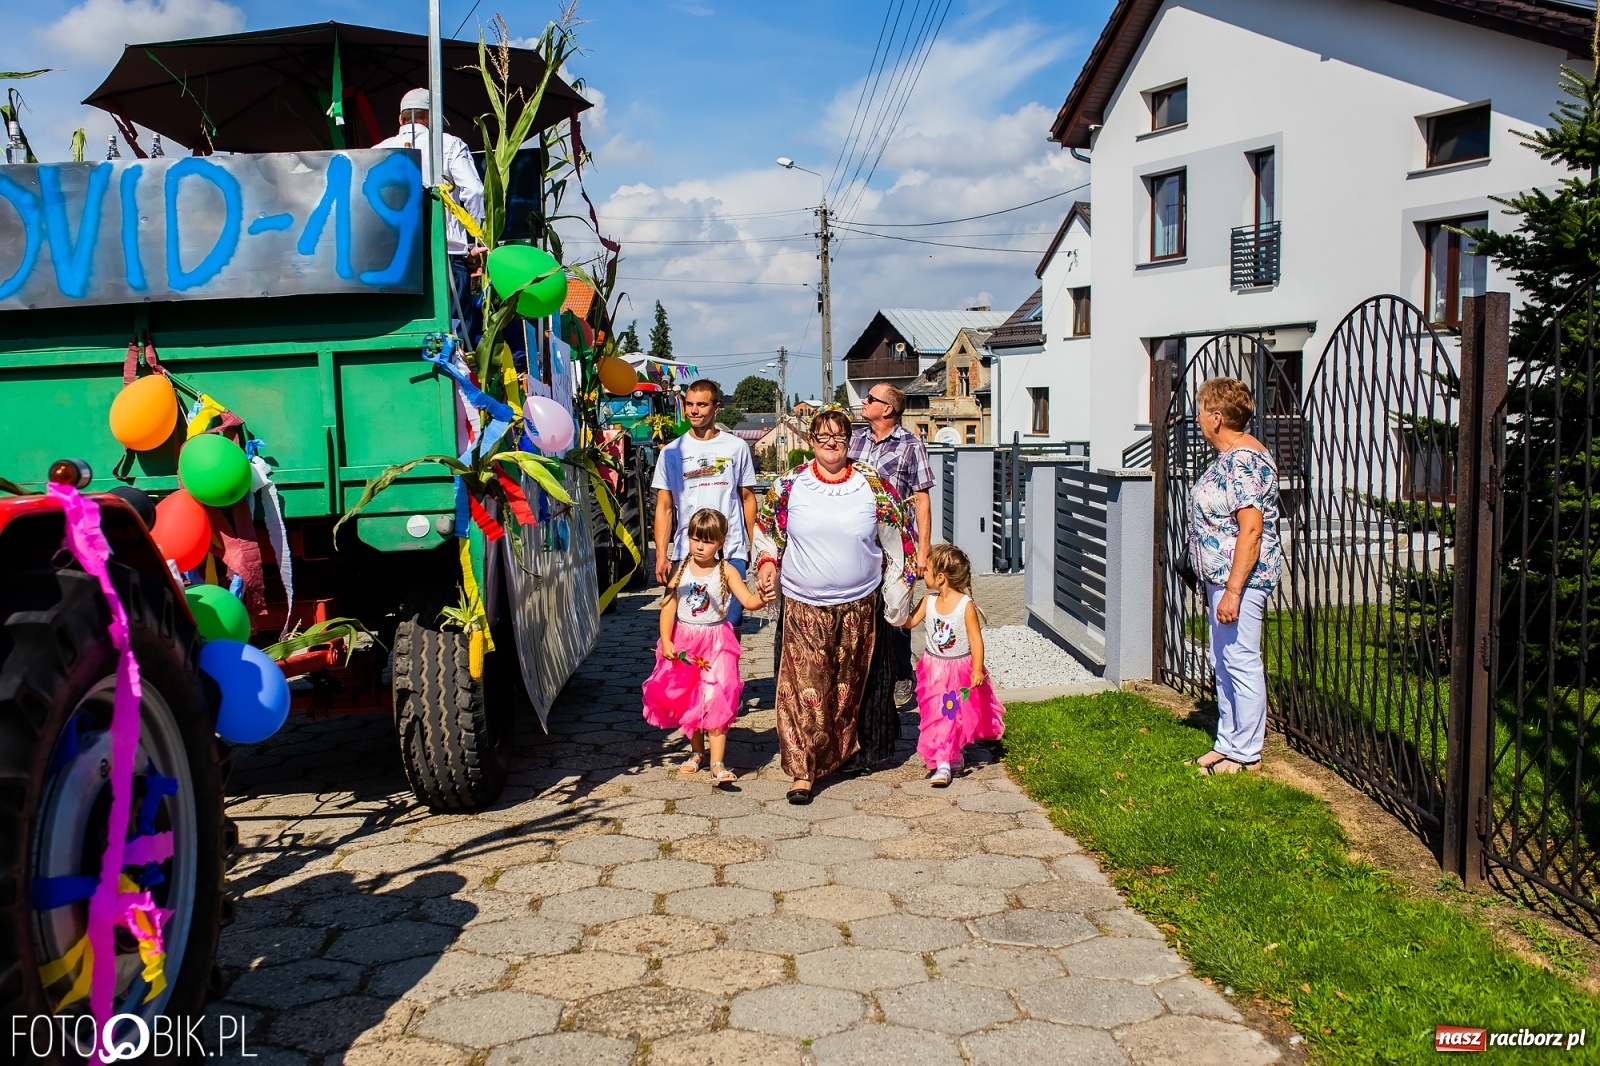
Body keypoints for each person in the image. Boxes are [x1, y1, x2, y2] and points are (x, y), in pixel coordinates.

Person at [753, 406, 917, 804]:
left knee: (845, 690)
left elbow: (901, 542)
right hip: (804, 605)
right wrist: (767, 564)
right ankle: (803, 771)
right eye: (823, 437)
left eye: (839, 437)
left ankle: (840, 755)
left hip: (858, 606)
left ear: (849, 441)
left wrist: (898, 596)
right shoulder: (790, 484)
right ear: (811, 441)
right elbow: (766, 533)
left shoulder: (873, 485)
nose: (831, 444)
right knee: (805, 688)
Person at [1185, 376, 1282, 775]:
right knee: (1224, 661)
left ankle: (1246, 753)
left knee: (1240, 660)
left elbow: (1252, 529)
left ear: (1218, 417)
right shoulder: (1232, 458)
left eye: (1202, 410)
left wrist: (1233, 591)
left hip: (1240, 582)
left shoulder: (1244, 462)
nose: (1198, 417)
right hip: (1222, 579)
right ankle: (1228, 742)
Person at [641, 509, 770, 786]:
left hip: (717, 642)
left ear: (721, 542)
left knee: (716, 697)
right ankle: (697, 752)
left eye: (708, 541)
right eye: (695, 539)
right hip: (686, 641)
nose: (700, 546)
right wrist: (666, 639)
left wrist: (762, 599)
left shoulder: (727, 570)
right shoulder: (681, 570)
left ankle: (718, 763)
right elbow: (669, 605)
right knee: (692, 699)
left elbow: (747, 600)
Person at [850, 382, 933, 706]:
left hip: (898, 545)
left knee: (897, 610)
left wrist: (924, 551)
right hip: (860, 542)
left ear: (887, 409)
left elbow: (923, 498)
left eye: (870, 398)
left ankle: (901, 675)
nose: (864, 401)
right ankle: (868, 674)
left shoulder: (912, 445)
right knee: (864, 609)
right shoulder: (855, 441)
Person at [375, 88, 485, 332]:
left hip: (392, 265)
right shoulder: (449, 144)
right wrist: (475, 243)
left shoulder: (377, 151)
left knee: (404, 332)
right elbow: (475, 192)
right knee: (452, 334)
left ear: (400, 119)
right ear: (432, 118)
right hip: (447, 255)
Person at [652, 380, 760, 627]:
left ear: (716, 407)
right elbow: (665, 506)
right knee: (688, 621)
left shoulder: (736, 447)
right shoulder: (671, 452)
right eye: (689, 404)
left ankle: (726, 666)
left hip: (730, 550)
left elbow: (747, 498)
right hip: (688, 552)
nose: (694, 411)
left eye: (701, 404)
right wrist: (660, 554)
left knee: (730, 624)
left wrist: (755, 543)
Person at [904, 543, 1005, 787]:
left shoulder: (965, 605)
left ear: (940, 578)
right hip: (933, 669)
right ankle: (943, 764)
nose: (922, 573)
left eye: (926, 570)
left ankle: (953, 753)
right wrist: (905, 590)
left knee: (954, 714)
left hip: (958, 669)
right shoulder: (928, 601)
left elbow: (975, 640)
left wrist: (977, 669)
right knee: (936, 714)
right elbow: (908, 622)